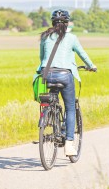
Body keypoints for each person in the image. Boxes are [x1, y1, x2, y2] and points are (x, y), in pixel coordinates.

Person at [36, 9, 96, 156]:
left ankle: (50, 116)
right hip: (65, 75)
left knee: (52, 98)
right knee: (70, 108)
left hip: (47, 74)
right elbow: (82, 54)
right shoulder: (72, 38)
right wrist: (91, 66)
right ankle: (69, 144)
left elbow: (42, 57)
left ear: (52, 22)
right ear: (67, 23)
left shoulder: (45, 36)